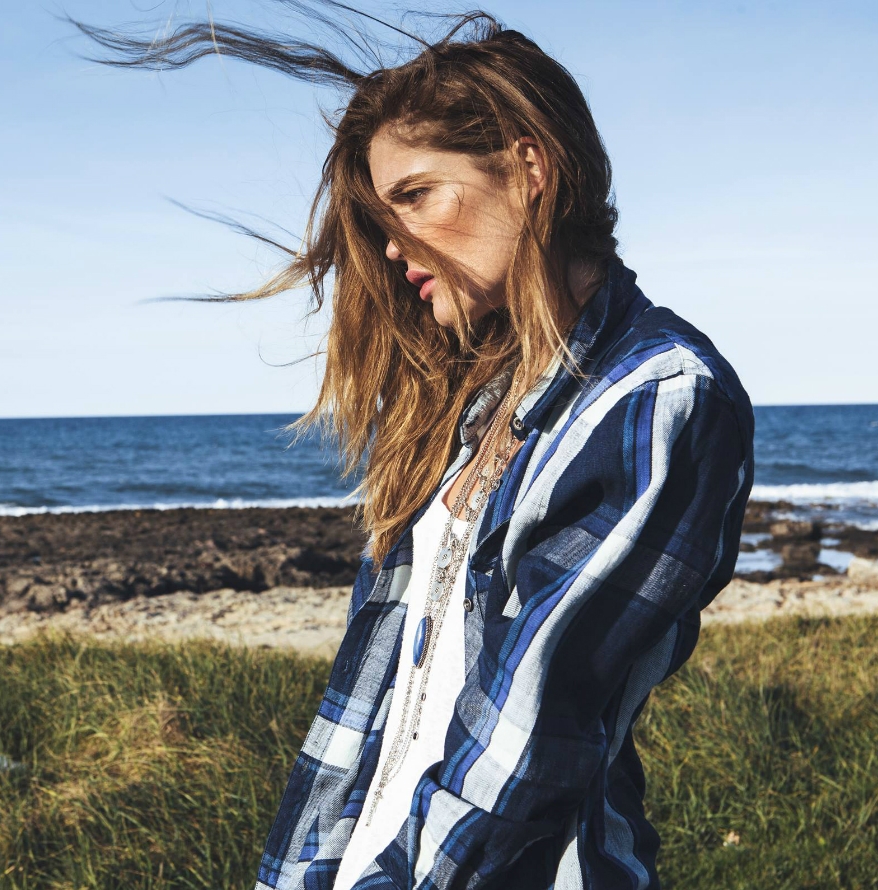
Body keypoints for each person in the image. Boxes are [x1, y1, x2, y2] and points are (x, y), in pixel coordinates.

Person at [77, 5, 754, 887]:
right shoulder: (467, 409)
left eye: (415, 196)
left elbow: (526, 749)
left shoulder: (657, 399)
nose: (394, 247)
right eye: (383, 215)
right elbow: (370, 710)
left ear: (530, 167)